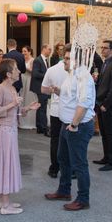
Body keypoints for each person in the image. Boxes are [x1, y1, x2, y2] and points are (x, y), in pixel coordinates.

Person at [44, 47, 95, 211]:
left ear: (76, 60)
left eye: (67, 58)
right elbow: (70, 97)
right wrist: (57, 90)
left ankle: (83, 199)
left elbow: (84, 104)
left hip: (77, 127)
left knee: (79, 164)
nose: (63, 61)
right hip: (66, 125)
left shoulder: (83, 77)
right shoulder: (70, 75)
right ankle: (64, 191)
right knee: (63, 158)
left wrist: (73, 124)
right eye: (64, 58)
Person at [0, 58, 39, 215]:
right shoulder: (0, 88)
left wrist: (27, 108)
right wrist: (13, 103)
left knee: (7, 163)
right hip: (5, 131)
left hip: (11, 130)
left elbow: (15, 112)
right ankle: (5, 205)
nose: (19, 71)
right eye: (16, 69)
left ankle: (3, 201)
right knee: (6, 164)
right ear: (9, 74)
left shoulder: (11, 88)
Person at [41, 47, 70, 179]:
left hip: (56, 109)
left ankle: (54, 168)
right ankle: (71, 169)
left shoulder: (51, 70)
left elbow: (43, 89)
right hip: (70, 110)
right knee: (70, 140)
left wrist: (53, 91)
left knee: (55, 140)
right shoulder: (74, 71)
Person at [93, 40, 112, 172]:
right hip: (100, 102)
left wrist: (106, 104)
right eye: (102, 47)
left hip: (107, 104)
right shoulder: (105, 63)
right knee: (104, 132)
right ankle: (106, 156)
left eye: (105, 48)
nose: (102, 50)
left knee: (110, 133)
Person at [30, 44, 52, 134]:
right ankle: (43, 127)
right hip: (39, 87)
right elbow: (35, 74)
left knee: (41, 107)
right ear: (43, 49)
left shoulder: (46, 60)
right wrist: (48, 76)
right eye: (49, 49)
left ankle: (39, 126)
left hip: (43, 86)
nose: (50, 51)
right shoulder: (38, 60)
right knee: (42, 107)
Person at [19, 45, 39, 131]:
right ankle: (22, 120)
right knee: (22, 99)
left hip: (29, 80)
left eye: (25, 51)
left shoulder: (32, 60)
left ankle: (30, 122)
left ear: (29, 52)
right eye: (22, 51)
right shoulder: (22, 60)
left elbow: (33, 71)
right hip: (23, 80)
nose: (23, 53)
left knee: (29, 99)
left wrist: (25, 68)